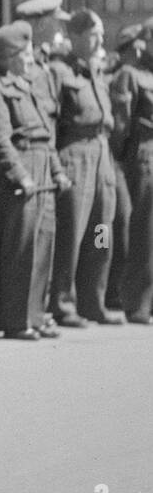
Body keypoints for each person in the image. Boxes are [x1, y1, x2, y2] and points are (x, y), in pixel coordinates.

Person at [0, 21, 69, 340]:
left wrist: (56, 171)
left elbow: (45, 134)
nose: (31, 58)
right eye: (25, 53)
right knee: (20, 247)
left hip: (40, 163)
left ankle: (34, 313)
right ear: (11, 55)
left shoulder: (24, 84)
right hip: (20, 166)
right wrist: (20, 174)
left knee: (43, 241)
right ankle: (15, 320)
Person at [49, 9, 120, 326]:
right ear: (75, 36)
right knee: (72, 232)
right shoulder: (60, 71)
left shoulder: (96, 70)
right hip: (75, 151)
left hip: (101, 151)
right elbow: (52, 122)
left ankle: (95, 300)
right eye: (93, 33)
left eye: (101, 34)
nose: (100, 39)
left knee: (102, 229)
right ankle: (64, 304)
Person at [112, 20, 153, 324]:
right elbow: (121, 126)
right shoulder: (130, 74)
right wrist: (122, 159)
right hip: (142, 158)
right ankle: (138, 304)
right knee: (143, 233)